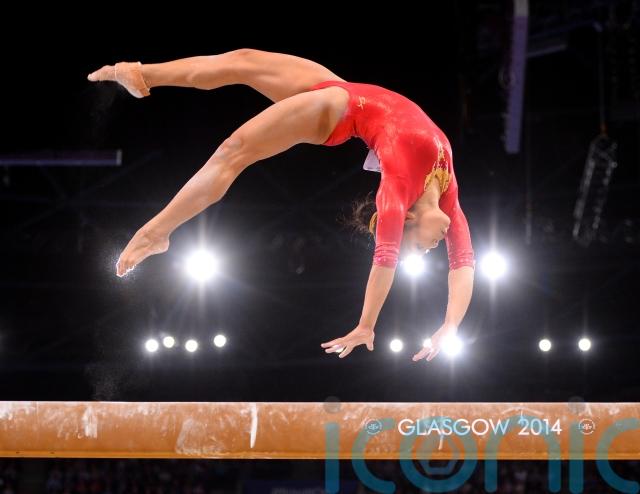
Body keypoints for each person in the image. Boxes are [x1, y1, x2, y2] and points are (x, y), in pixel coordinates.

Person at [87, 49, 475, 362]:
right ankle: (141, 74)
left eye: (420, 248)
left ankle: (156, 232)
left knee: (233, 151)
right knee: (242, 60)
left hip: (336, 112)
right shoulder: (447, 195)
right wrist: (447, 325)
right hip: (345, 90)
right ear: (409, 218)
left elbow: (393, 260)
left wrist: (370, 325)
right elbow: (461, 264)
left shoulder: (394, 193)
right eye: (421, 246)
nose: (433, 247)